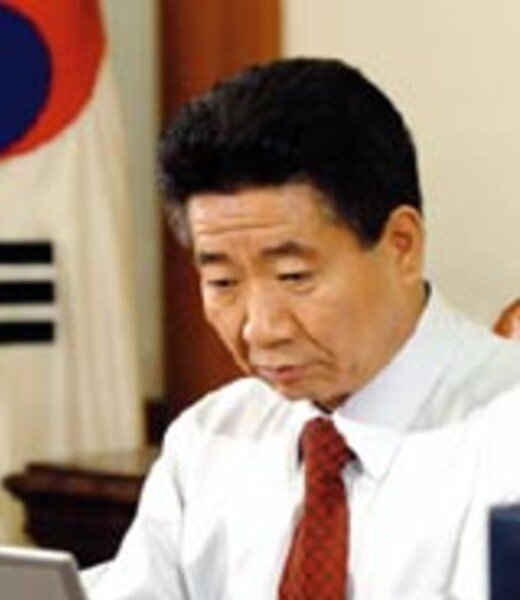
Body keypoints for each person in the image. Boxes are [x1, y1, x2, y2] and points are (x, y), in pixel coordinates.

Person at [85, 58, 520, 599]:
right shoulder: (211, 437)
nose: (261, 329)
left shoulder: (506, 437)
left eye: (294, 276)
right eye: (222, 282)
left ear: (402, 246)